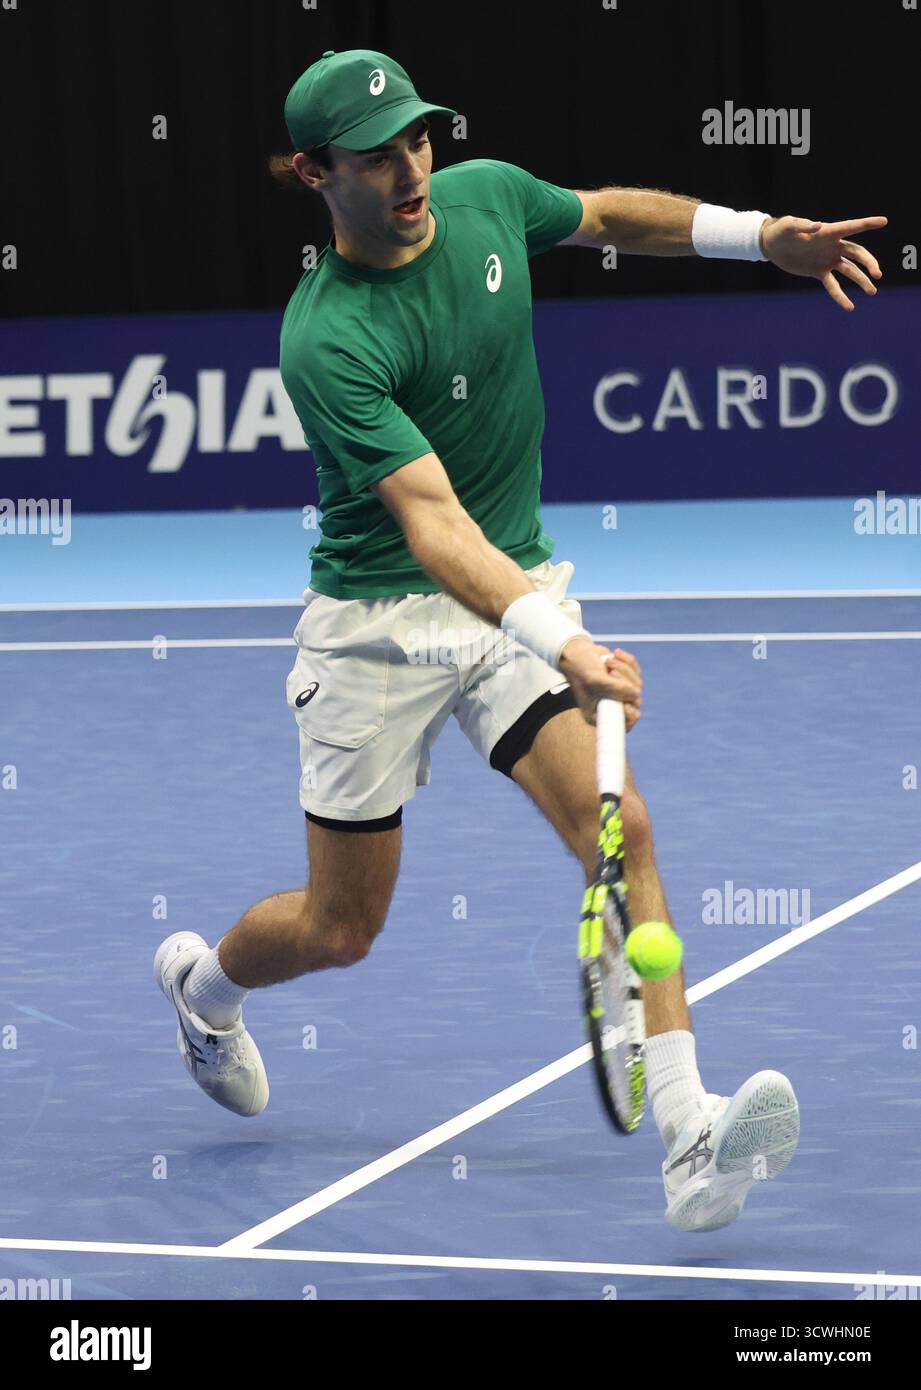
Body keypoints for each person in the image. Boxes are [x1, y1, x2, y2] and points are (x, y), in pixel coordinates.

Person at [155, 49, 886, 1232]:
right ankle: (202, 989)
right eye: (375, 155)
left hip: (511, 603)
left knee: (627, 827)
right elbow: (434, 527)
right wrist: (569, 643)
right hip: (378, 632)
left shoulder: (485, 198)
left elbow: (606, 217)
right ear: (311, 173)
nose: (410, 170)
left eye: (418, 141)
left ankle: (691, 1140)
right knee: (342, 929)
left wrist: (763, 236)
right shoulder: (326, 340)